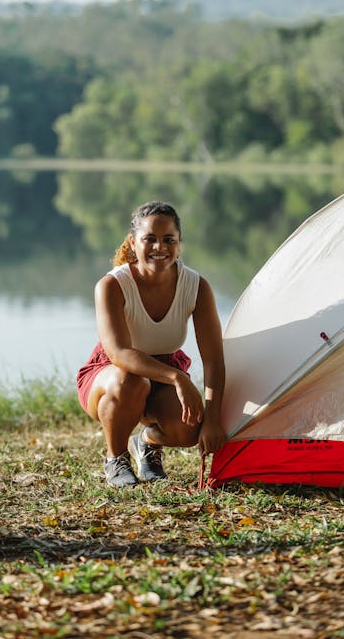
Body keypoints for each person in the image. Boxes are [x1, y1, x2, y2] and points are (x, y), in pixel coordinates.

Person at [77, 200, 226, 487]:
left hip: (163, 372)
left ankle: (145, 443)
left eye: (169, 239)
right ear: (133, 243)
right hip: (111, 374)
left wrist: (213, 417)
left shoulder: (197, 287)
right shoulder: (111, 286)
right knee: (131, 382)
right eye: (150, 239)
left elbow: (214, 359)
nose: (160, 247)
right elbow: (119, 353)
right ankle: (116, 458)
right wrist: (177, 377)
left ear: (179, 244)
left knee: (190, 428)